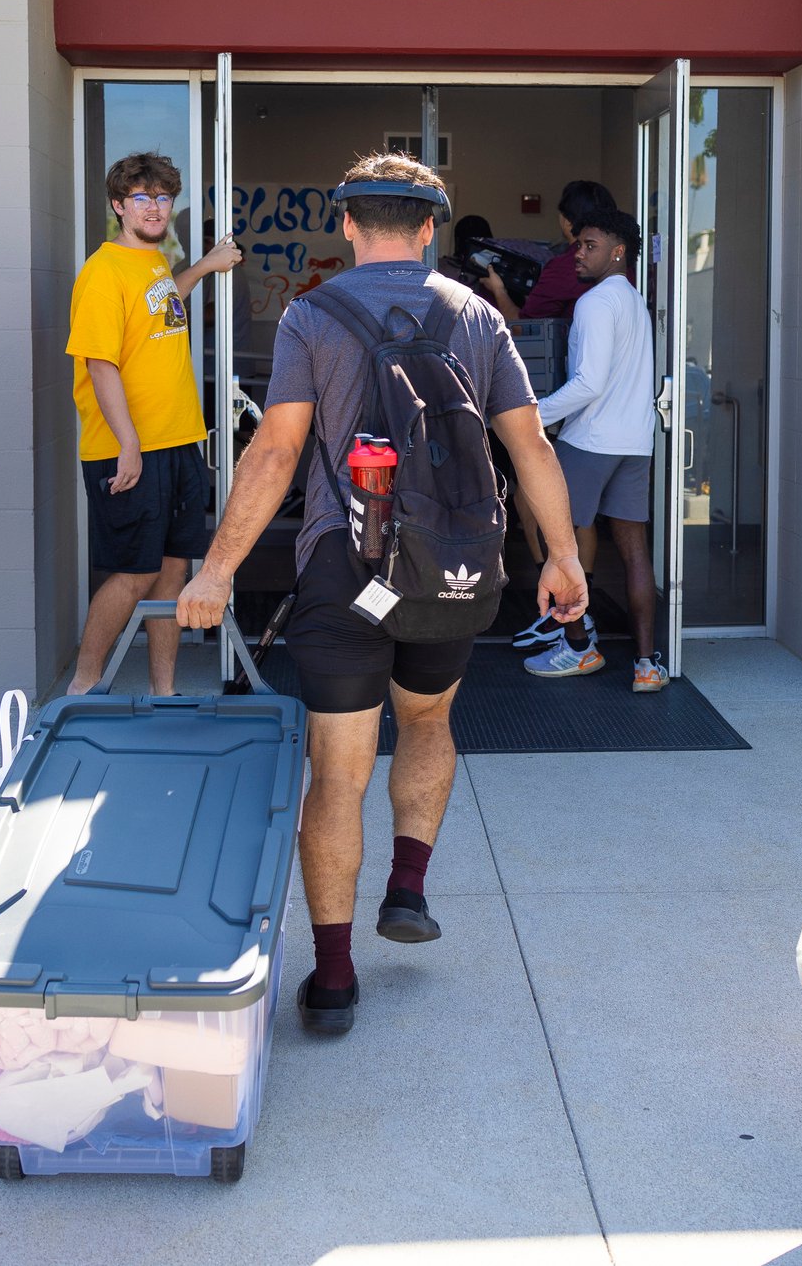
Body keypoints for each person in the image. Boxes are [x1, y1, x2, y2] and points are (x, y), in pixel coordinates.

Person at [177, 152, 587, 1037]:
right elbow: (532, 447)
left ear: (351, 225)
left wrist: (217, 570)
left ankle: (332, 978)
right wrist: (562, 556)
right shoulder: (479, 315)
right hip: (455, 570)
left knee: (339, 770)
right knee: (430, 721)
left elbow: (275, 452)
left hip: (344, 571)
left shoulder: (311, 314)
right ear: (431, 229)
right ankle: (409, 881)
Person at [65, 152, 243, 694]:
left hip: (180, 439)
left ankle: (163, 691)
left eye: (163, 197)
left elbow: (162, 308)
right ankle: (83, 684)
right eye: (141, 197)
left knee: (173, 572)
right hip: (128, 447)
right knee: (134, 572)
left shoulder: (155, 262)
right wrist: (128, 444)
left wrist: (205, 267)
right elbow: (100, 365)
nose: (154, 207)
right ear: (118, 205)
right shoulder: (102, 272)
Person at [520, 211, 664, 691]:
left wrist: (532, 413)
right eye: (578, 245)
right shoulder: (634, 302)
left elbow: (588, 383)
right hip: (635, 444)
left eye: (589, 244)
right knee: (635, 553)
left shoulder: (596, 303)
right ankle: (646, 666)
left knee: (558, 542)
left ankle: (580, 649)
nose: (577, 253)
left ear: (618, 251)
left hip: (591, 441)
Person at [479, 179, 619, 321]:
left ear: (567, 221)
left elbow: (524, 327)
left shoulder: (567, 266)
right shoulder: (626, 261)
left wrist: (498, 290)